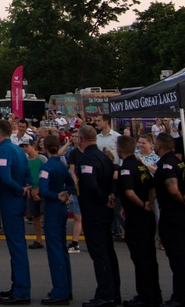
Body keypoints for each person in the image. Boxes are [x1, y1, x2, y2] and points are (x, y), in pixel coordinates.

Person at [76, 125, 120, 307]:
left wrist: (103, 198)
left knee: (99, 253)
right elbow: (112, 178)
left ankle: (105, 294)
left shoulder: (87, 158)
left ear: (80, 139)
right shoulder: (104, 157)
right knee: (108, 252)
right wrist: (110, 195)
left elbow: (90, 184)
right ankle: (114, 292)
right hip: (105, 210)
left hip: (94, 210)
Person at [153, 132, 185, 307]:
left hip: (173, 213)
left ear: (160, 146)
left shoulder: (166, 164)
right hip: (182, 212)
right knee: (184, 255)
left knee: (178, 257)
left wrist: (181, 198)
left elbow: (172, 188)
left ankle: (181, 297)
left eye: (156, 143)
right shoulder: (180, 162)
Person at [116, 135, 160, 307]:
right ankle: (154, 293)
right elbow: (153, 185)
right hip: (147, 216)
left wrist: (142, 204)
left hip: (137, 217)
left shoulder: (126, 167)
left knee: (141, 258)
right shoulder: (141, 165)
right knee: (149, 257)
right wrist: (150, 201)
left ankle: (146, 296)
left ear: (119, 150)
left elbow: (129, 193)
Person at [0, 119, 31, 304]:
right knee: (17, 246)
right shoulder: (18, 149)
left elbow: (5, 178)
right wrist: (26, 187)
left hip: (10, 201)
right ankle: (17, 286)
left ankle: (22, 290)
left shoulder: (4, 150)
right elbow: (28, 175)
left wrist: (19, 189)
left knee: (16, 247)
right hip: (17, 201)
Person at [38, 135, 74, 305]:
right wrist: (65, 192)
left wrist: (56, 195)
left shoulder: (47, 167)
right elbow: (72, 184)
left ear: (45, 147)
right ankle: (67, 288)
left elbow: (43, 190)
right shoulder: (61, 165)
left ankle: (59, 290)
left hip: (52, 209)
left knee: (54, 251)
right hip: (61, 209)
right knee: (62, 249)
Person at [22, 139, 46, 249]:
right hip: (32, 190)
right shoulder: (25, 161)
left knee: (46, 214)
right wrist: (31, 189)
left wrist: (39, 189)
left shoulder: (42, 159)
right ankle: (38, 239)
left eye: (27, 146)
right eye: (23, 146)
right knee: (36, 215)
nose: (25, 148)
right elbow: (25, 176)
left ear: (33, 146)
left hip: (42, 190)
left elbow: (45, 175)